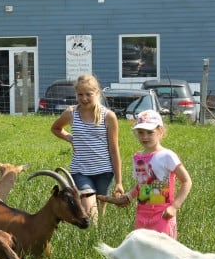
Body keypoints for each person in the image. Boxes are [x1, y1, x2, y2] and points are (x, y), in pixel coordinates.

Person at [99, 109, 192, 238]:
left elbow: (186, 181)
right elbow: (142, 185)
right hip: (142, 213)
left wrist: (174, 207)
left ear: (161, 131)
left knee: (163, 251)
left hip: (163, 213)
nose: (144, 136)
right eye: (141, 132)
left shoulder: (167, 156)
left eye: (150, 132)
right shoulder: (138, 158)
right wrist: (129, 197)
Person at [50, 74, 123, 223]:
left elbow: (114, 149)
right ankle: (90, 235)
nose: (84, 98)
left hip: (104, 171)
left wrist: (119, 182)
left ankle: (96, 240)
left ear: (97, 93)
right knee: (89, 210)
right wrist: (69, 137)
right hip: (81, 170)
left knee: (100, 212)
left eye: (88, 94)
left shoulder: (108, 116)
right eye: (80, 94)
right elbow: (56, 128)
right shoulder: (71, 113)